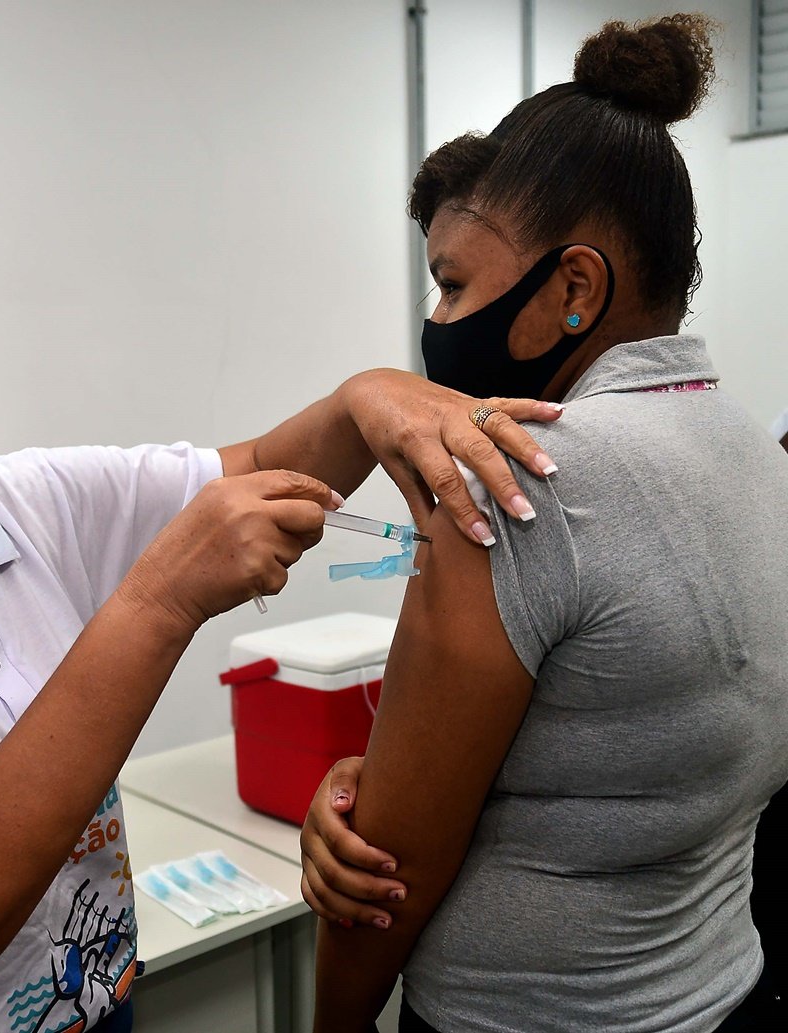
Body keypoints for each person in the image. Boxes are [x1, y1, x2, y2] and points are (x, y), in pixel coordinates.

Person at [0, 164, 561, 1033]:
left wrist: (370, 395)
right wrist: (158, 601)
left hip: (94, 1000)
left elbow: (261, 469)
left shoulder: (24, 502)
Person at [299, 14, 788, 1033]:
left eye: (454, 284)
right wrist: (379, 772)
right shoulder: (752, 446)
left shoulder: (516, 482)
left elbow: (386, 873)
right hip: (724, 991)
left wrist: (335, 1022)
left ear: (574, 288)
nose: (437, 324)